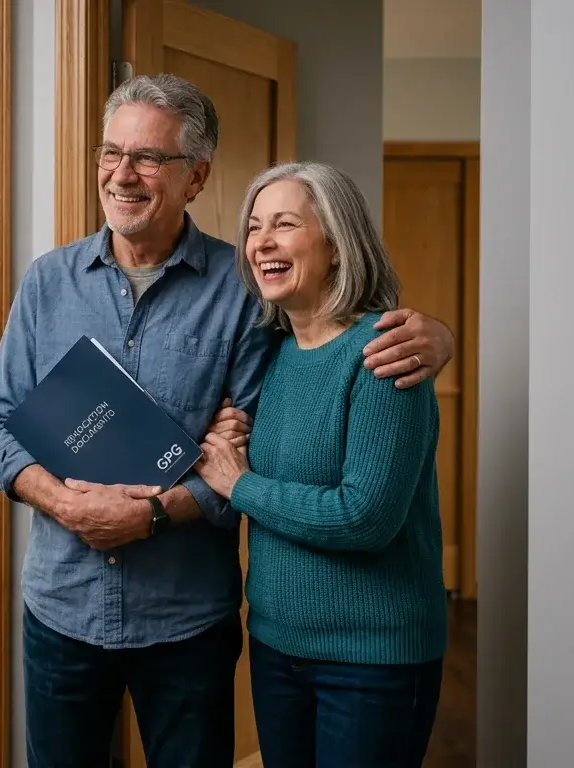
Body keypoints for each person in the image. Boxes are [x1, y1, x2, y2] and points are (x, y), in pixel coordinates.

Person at [0, 73, 453, 768]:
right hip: (62, 608)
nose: (123, 173)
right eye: (111, 153)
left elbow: (254, 451)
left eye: (149, 157)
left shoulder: (244, 292)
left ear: (196, 176)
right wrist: (65, 503)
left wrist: (153, 514)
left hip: (187, 622)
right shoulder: (48, 282)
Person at [195, 160, 448, 767]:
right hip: (277, 647)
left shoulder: (386, 357)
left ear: (336, 244)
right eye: (254, 226)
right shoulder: (274, 356)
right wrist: (232, 441)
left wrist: (240, 483)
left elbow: (363, 518)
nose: (262, 242)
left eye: (284, 223)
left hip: (373, 660)